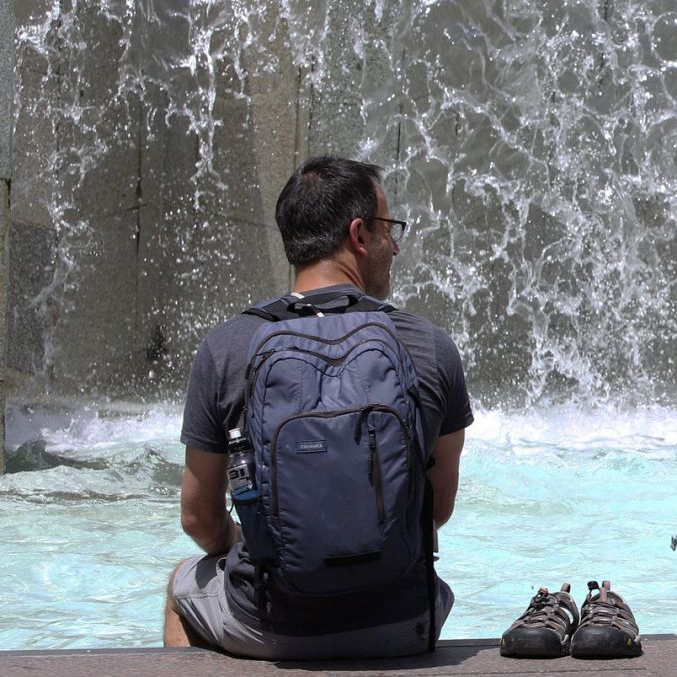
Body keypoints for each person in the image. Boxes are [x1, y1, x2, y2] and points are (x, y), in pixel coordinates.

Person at [164, 156, 473, 658]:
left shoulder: (225, 348)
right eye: (388, 230)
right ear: (359, 234)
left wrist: (272, 539)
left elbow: (199, 520)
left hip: (272, 623)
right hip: (402, 620)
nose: (394, 246)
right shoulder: (431, 347)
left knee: (182, 584)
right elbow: (434, 511)